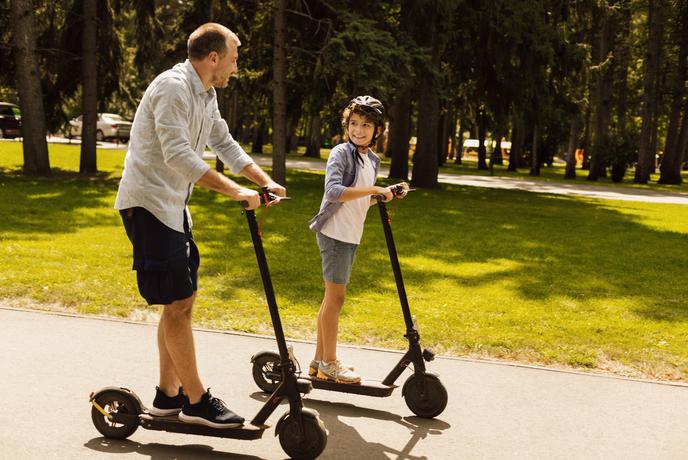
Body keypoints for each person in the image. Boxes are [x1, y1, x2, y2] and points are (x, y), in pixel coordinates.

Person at [114, 23, 285, 428]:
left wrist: (263, 181)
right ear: (213, 58)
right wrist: (235, 192)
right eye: (234, 58)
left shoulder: (205, 94)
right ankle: (196, 401)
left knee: (181, 303)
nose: (236, 68)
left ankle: (167, 396)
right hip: (149, 205)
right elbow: (179, 157)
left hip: (173, 208)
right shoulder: (172, 88)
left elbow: (223, 142)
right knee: (177, 305)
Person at [308, 96, 408, 384]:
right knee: (336, 299)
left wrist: (385, 192)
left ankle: (318, 361)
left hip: (351, 235)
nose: (359, 130)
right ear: (346, 126)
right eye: (354, 123)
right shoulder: (340, 153)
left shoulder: (371, 159)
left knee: (330, 299)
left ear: (378, 130)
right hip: (335, 233)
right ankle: (329, 362)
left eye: (366, 125)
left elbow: (361, 200)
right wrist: (373, 188)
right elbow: (335, 192)